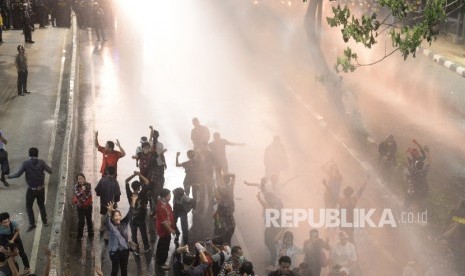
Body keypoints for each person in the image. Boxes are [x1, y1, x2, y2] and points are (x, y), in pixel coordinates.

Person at [7, 147, 52, 231]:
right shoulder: (41, 162)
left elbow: (17, 174)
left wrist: (8, 176)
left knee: (29, 206)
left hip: (31, 190)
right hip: (41, 189)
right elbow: (50, 171)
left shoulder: (26, 163)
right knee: (41, 205)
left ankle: (32, 224)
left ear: (29, 154)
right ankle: (45, 221)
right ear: (37, 154)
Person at [105, 194, 137, 276]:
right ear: (113, 218)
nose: (118, 216)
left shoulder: (124, 223)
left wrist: (133, 202)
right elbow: (107, 222)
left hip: (125, 250)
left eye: (119, 215)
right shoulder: (111, 227)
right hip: (114, 251)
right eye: (115, 216)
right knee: (115, 268)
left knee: (124, 268)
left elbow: (130, 213)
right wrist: (109, 212)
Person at [125, 171, 150, 255]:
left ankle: (136, 250)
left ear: (132, 187)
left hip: (132, 218)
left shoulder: (129, 194)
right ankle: (146, 248)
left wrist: (133, 175)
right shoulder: (142, 194)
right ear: (139, 188)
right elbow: (147, 182)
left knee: (134, 235)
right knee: (144, 234)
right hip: (141, 218)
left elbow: (126, 181)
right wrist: (139, 174)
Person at [95, 166, 121, 237]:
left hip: (103, 202)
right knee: (110, 216)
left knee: (103, 215)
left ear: (107, 172)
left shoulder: (102, 180)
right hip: (111, 203)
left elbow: (97, 190)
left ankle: (102, 227)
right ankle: (107, 234)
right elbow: (117, 194)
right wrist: (116, 202)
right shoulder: (115, 182)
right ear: (114, 173)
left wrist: (99, 194)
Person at [155, 188, 176, 269]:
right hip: (164, 231)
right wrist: (171, 230)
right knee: (164, 247)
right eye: (168, 196)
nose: (170, 197)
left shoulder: (165, 203)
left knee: (161, 245)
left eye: (170, 195)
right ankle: (161, 263)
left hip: (166, 231)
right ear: (163, 197)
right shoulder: (161, 206)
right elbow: (163, 222)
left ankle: (158, 261)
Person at [73, 173, 94, 240]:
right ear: (77, 180)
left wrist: (80, 197)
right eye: (79, 179)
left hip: (88, 207)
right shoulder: (76, 186)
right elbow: (77, 194)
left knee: (89, 220)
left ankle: (90, 232)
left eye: (81, 178)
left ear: (84, 178)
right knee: (81, 221)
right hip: (80, 208)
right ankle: (79, 236)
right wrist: (83, 191)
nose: (80, 180)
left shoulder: (88, 185)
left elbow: (87, 195)